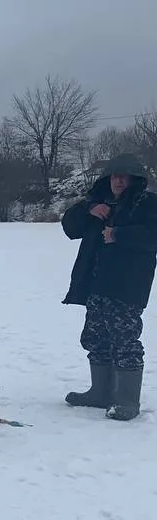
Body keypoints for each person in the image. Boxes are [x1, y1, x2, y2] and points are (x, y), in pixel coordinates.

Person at [61, 153, 157, 420]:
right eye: (114, 176)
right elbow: (70, 227)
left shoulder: (147, 203)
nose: (118, 181)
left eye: (123, 176)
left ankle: (127, 401)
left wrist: (119, 235)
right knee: (95, 338)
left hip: (127, 286)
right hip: (96, 285)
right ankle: (100, 393)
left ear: (135, 180)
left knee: (124, 341)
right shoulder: (98, 204)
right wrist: (87, 209)